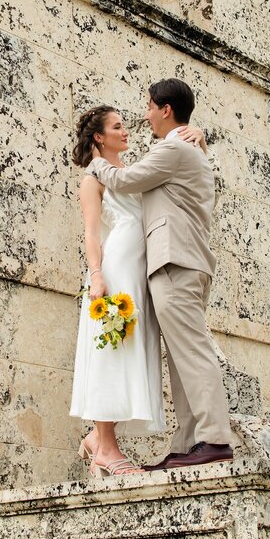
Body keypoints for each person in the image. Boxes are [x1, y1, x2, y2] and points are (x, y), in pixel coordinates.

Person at [86, 78, 233, 470]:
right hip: (181, 261)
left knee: (193, 351)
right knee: (182, 355)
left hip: (175, 262)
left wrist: (94, 159)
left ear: (166, 109)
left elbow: (123, 179)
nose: (145, 115)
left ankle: (214, 438)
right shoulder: (187, 147)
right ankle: (188, 444)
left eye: (150, 107)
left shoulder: (174, 148)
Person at [69, 104, 206, 477]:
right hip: (114, 273)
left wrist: (197, 134)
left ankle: (98, 440)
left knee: (130, 353)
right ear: (99, 136)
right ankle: (107, 451)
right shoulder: (91, 179)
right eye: (117, 127)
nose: (126, 130)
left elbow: (171, 157)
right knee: (111, 353)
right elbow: (92, 234)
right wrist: (97, 276)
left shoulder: (129, 172)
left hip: (139, 274)